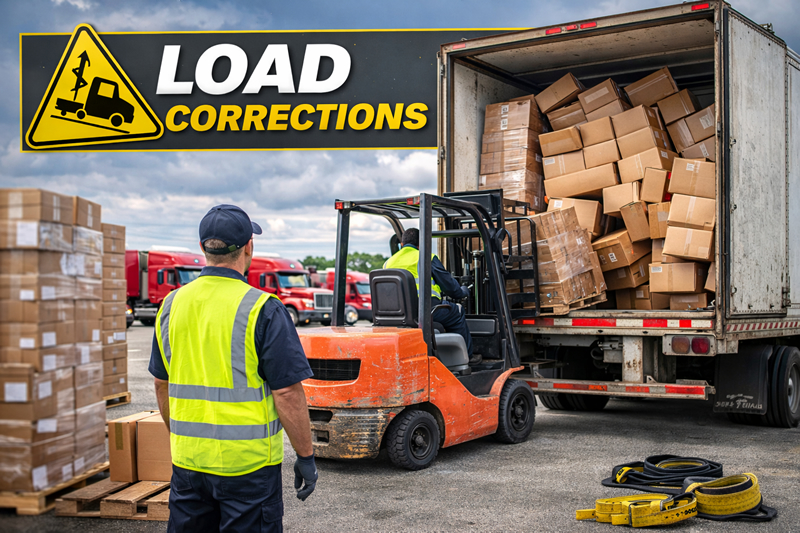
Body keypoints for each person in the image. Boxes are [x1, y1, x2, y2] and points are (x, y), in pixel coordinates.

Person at [148, 204, 317, 533]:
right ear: (248, 247)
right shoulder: (263, 309)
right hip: (248, 468)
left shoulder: (170, 305)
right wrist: (306, 455)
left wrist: (187, 441)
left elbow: (161, 384)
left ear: (203, 249)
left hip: (189, 464)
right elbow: (286, 392)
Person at [383, 228, 478, 364]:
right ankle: (466, 359)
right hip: (424, 311)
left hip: (396, 315)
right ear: (421, 243)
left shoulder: (388, 262)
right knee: (457, 311)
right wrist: (463, 291)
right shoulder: (425, 257)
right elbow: (450, 287)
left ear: (402, 244)